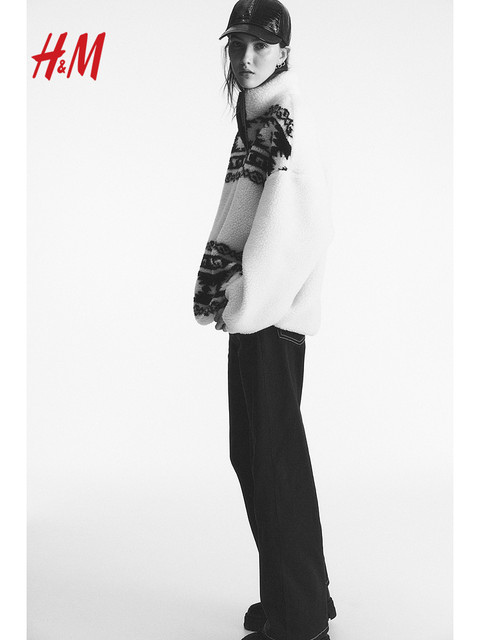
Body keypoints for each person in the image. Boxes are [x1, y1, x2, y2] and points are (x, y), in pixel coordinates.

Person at [192, 1, 336, 639]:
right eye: (238, 44)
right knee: (258, 457)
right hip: (258, 317)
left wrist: (244, 298)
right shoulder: (260, 120)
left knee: (273, 464)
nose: (246, 57)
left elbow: (302, 230)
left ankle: (300, 622)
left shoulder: (284, 123)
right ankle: (293, 598)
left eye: (260, 45)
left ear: (283, 52)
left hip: (269, 319)